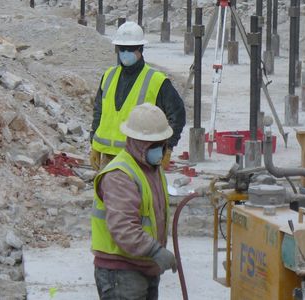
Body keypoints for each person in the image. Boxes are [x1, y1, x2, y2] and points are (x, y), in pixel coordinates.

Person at [91, 103, 177, 299]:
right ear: (136, 142)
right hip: (121, 273)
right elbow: (123, 228)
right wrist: (156, 251)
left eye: (161, 143)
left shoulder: (151, 168)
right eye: (153, 145)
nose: (159, 150)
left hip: (143, 266)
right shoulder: (120, 175)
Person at [90, 21, 185, 170]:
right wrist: (94, 144)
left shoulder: (156, 80)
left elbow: (177, 115)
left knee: (138, 193)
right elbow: (99, 112)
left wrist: (168, 147)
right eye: (122, 49)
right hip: (107, 157)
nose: (125, 53)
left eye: (130, 49)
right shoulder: (109, 76)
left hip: (139, 158)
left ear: (140, 49)